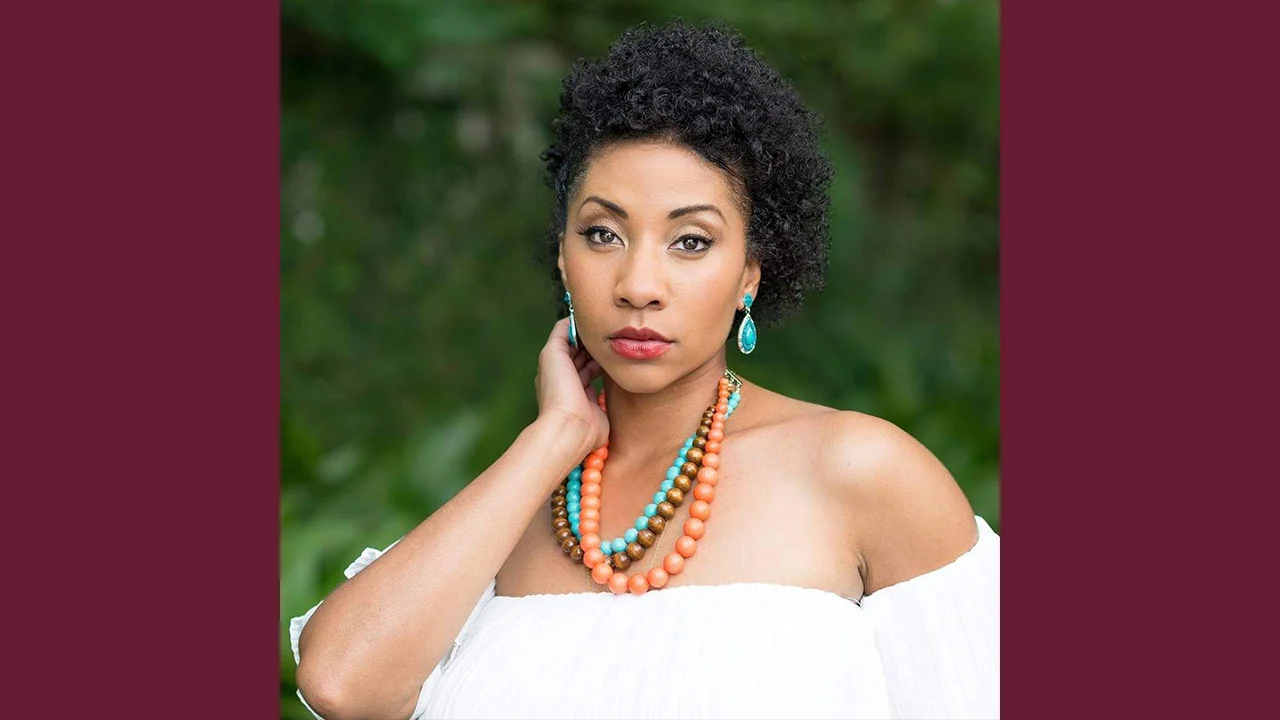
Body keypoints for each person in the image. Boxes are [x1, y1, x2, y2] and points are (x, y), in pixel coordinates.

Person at [290, 19, 999, 720]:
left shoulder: (860, 473)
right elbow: (341, 685)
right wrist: (553, 439)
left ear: (750, 274)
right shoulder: (517, 512)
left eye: (691, 241)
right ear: (564, 258)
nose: (638, 283)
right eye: (603, 234)